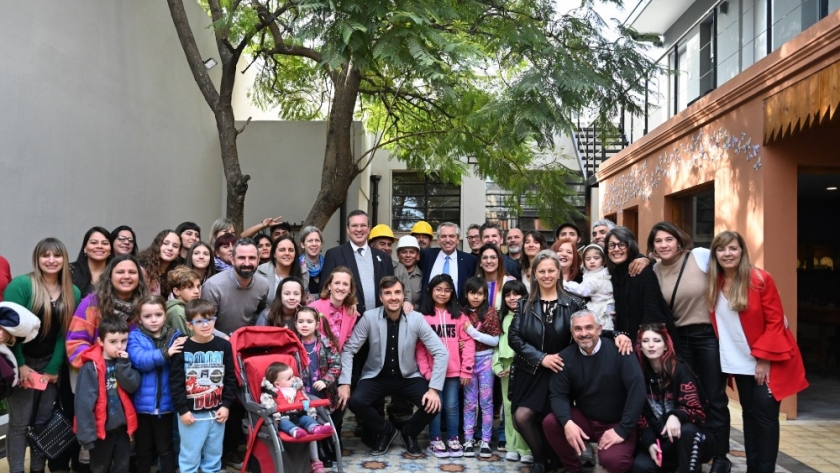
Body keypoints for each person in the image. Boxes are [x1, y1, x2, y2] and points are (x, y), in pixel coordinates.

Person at [707, 231, 807, 473]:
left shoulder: (759, 279)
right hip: (738, 362)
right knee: (749, 416)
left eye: (732, 248)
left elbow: (775, 322)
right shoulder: (714, 282)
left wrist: (764, 360)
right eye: (721, 249)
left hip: (768, 361)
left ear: (742, 251)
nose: (727, 253)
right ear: (715, 254)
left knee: (765, 418)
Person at [647, 222, 731, 473]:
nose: (664, 245)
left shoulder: (700, 256)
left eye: (668, 239)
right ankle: (698, 448)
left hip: (707, 336)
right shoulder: (655, 269)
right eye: (658, 241)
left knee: (715, 397)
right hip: (679, 338)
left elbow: (737, 273)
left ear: (679, 241)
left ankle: (721, 456)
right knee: (691, 397)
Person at [338, 277, 448, 457]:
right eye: (388, 293)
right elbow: (349, 350)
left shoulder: (416, 319)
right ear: (381, 298)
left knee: (434, 404)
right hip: (377, 375)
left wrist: (434, 389)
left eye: (397, 292)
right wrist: (344, 383)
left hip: (408, 376)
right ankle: (387, 430)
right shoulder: (369, 318)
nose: (393, 297)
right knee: (355, 401)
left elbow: (441, 352)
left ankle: (409, 433)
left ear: (403, 296)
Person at [3, 238, 81, 473]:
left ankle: (37, 468)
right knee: (19, 423)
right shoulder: (22, 285)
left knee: (43, 422)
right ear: (37, 259)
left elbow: (63, 333)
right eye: (45, 255)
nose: (51, 260)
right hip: (21, 361)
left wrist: (54, 367)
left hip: (49, 364)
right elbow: (10, 329)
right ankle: (17, 469)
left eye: (56, 256)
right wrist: (21, 365)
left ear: (64, 260)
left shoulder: (72, 291)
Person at [542, 310, 646, 473]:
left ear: (599, 329)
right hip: (587, 420)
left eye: (589, 327)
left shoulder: (620, 350)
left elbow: (637, 390)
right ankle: (574, 469)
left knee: (614, 462)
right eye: (578, 329)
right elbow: (557, 395)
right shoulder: (566, 357)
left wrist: (623, 429)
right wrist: (567, 422)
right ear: (572, 332)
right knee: (551, 422)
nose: (584, 333)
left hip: (618, 422)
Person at [508, 250, 584, 473]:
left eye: (551, 270)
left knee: (547, 420)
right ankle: (540, 459)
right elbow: (514, 338)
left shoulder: (574, 304)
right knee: (521, 419)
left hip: (559, 371)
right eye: (542, 271)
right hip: (529, 370)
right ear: (534, 274)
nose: (547, 275)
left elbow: (585, 333)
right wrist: (541, 358)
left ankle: (552, 460)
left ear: (559, 272)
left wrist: (617, 334)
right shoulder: (524, 304)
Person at [632, 324, 714, 473]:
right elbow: (640, 417)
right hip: (662, 440)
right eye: (646, 341)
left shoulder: (680, 370)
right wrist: (650, 442)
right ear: (640, 347)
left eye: (656, 340)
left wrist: (676, 415)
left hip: (692, 437)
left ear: (665, 346)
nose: (651, 345)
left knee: (688, 431)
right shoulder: (638, 374)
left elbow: (698, 411)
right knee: (640, 466)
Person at [169, 299, 237, 473]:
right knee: (190, 456)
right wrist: (182, 410)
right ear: (189, 325)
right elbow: (176, 382)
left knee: (214, 455)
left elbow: (230, 377)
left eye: (210, 319)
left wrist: (227, 405)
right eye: (199, 321)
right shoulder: (182, 347)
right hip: (191, 413)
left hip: (217, 412)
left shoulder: (224, 345)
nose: (206, 325)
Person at [416, 275, 474, 459]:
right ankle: (435, 440)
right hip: (432, 374)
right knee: (434, 406)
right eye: (438, 289)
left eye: (447, 290)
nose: (442, 293)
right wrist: (426, 371)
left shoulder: (459, 315)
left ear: (452, 293)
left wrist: (466, 369)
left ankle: (453, 438)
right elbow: (419, 348)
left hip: (454, 372)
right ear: (430, 291)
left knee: (451, 406)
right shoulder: (423, 316)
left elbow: (468, 342)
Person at [75, 317, 141, 473]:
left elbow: (133, 386)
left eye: (124, 341)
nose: (120, 346)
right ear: (101, 341)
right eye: (113, 342)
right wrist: (87, 437)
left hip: (122, 429)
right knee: (100, 468)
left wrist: (124, 365)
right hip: (100, 432)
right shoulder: (91, 367)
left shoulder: (124, 361)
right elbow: (84, 404)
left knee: (123, 466)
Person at [127, 295, 186, 473]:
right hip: (142, 406)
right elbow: (139, 360)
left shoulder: (175, 335)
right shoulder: (134, 337)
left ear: (165, 315)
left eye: (158, 315)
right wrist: (166, 353)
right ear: (139, 318)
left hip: (167, 405)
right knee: (144, 449)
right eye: (147, 316)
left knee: (166, 448)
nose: (153, 320)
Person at [67, 254, 149, 369]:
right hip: (97, 372)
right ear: (109, 276)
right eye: (120, 272)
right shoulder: (91, 303)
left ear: (139, 277)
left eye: (132, 272)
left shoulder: (147, 305)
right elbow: (75, 343)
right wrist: (102, 365)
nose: (126, 276)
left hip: (135, 376)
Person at [605, 227, 677, 356]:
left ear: (630, 246)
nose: (616, 249)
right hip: (622, 342)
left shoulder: (642, 271)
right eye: (611, 245)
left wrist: (642, 345)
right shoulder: (614, 273)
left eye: (622, 244)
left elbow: (652, 311)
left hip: (644, 346)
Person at [260, 361, 334, 473]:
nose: (293, 379)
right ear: (277, 384)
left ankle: (315, 429)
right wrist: (276, 417)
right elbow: (269, 406)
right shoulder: (270, 393)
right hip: (284, 418)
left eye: (293, 376)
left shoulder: (297, 390)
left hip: (300, 415)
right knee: (284, 423)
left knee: (308, 420)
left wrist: (311, 413)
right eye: (289, 378)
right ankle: (295, 431)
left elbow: (306, 401)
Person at [309, 268, 358, 435]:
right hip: (314, 365)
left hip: (335, 366)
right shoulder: (314, 308)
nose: (341, 287)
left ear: (350, 289)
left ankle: (333, 436)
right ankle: (319, 441)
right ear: (329, 285)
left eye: (346, 284)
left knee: (342, 399)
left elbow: (346, 347)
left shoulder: (352, 313)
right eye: (337, 283)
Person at [293, 306, 341, 468]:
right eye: (300, 322)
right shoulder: (293, 344)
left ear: (317, 324)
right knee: (308, 419)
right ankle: (316, 451)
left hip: (322, 392)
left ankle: (326, 445)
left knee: (323, 418)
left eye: (309, 321)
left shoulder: (326, 343)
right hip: (301, 391)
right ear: (295, 323)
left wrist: (326, 380)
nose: (304, 325)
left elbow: (336, 365)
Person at [320, 210, 394, 315]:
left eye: (363, 225)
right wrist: (347, 301)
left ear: (368, 229)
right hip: (347, 319)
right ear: (347, 229)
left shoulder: (384, 258)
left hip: (379, 320)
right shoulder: (334, 255)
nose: (359, 229)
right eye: (354, 225)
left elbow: (391, 288)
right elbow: (325, 290)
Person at [492, 280, 532, 463]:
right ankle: (512, 446)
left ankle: (526, 448)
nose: (512, 298)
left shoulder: (529, 316)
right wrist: (497, 365)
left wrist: (517, 364)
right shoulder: (501, 317)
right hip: (505, 370)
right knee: (507, 408)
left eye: (516, 294)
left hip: (523, 367)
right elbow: (496, 345)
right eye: (508, 295)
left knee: (522, 408)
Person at [461, 276, 500, 458]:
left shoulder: (490, 313)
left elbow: (495, 340)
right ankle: (468, 439)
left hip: (485, 361)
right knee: (469, 403)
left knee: (486, 402)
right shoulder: (461, 313)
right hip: (467, 363)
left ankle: (485, 440)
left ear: (485, 295)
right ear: (466, 294)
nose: (475, 297)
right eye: (472, 293)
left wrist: (473, 333)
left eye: (480, 293)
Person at [201, 238, 269, 337]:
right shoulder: (213, 286)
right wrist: (228, 340)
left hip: (248, 342)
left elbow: (260, 313)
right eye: (241, 258)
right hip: (218, 343)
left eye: (252, 258)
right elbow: (204, 323)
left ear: (258, 260)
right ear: (232, 260)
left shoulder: (263, 284)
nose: (247, 263)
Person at [564, 244, 615, 331]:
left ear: (603, 261)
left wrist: (564, 284)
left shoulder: (600, 275)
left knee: (603, 326)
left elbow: (583, 290)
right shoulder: (589, 273)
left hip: (603, 306)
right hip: (598, 303)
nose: (592, 261)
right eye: (588, 259)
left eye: (596, 258)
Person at [419, 222, 477, 299]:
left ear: (458, 239)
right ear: (438, 239)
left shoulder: (470, 261)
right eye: (443, 236)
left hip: (457, 309)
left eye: (451, 236)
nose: (447, 240)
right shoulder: (426, 255)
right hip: (428, 309)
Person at [257, 235, 306, 307]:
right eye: (282, 250)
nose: (287, 253)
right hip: (267, 316)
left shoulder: (304, 273)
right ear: (274, 254)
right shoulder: (260, 272)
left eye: (291, 250)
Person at [70, 226, 113, 297]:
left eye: (105, 243)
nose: (99, 246)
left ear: (110, 250)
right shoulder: (69, 271)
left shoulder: (116, 273)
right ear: (85, 248)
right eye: (94, 243)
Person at [137, 229, 181, 295]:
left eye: (175, 246)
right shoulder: (142, 266)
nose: (170, 248)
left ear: (178, 253)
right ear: (157, 245)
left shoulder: (176, 273)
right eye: (165, 243)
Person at [165, 267, 202, 342]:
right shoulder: (178, 312)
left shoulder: (187, 308)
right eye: (190, 287)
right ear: (176, 291)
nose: (197, 291)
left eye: (198, 286)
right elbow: (186, 343)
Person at [475, 244, 515, 310]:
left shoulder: (509, 282)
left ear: (499, 261)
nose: (489, 261)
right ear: (480, 263)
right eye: (485, 258)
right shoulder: (475, 284)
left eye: (493, 257)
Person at [394, 236, 423, 309]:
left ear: (418, 256)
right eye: (404, 252)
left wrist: (413, 307)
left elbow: (426, 303)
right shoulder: (390, 271)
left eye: (412, 252)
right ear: (398, 255)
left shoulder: (423, 276)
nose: (408, 255)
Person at [298, 226, 325, 300]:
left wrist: (315, 297)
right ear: (303, 244)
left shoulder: (328, 263)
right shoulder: (296, 266)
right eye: (310, 241)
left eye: (317, 240)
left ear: (321, 244)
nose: (314, 244)